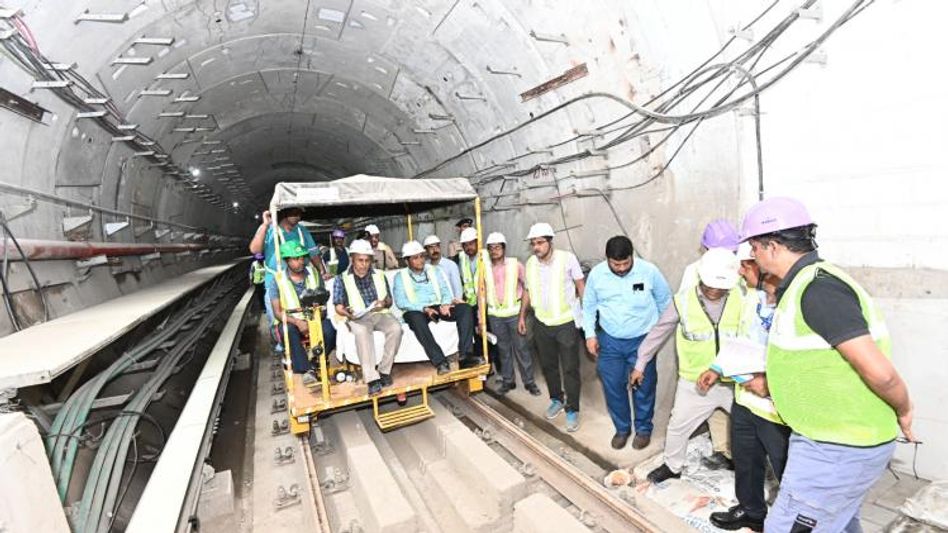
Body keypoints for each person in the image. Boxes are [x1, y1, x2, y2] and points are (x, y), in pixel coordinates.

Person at [740, 197, 914, 533]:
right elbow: (816, 361)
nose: (752, 257)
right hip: (834, 441)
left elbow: (879, 372)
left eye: (754, 249)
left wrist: (904, 408)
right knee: (839, 522)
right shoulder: (803, 285)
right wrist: (772, 382)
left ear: (772, 247)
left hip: (836, 450)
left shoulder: (817, 289)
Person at [631, 248, 744, 484]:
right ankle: (673, 467)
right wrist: (640, 363)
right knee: (677, 426)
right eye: (710, 285)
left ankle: (744, 466)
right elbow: (659, 332)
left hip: (735, 382)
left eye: (720, 288)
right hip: (695, 385)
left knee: (751, 430)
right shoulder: (682, 301)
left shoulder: (742, 299)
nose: (714, 291)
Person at [698, 242, 789, 531]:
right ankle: (751, 511)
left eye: (746, 266)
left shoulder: (793, 303)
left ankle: (793, 522)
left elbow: (803, 359)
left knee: (788, 469)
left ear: (764, 266)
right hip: (745, 399)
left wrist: (770, 384)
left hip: (777, 408)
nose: (740, 271)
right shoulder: (750, 296)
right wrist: (717, 368)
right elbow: (741, 341)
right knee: (746, 460)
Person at [583, 236, 672, 450]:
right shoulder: (597, 275)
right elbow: (588, 306)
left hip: (642, 340)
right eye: (616, 264)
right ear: (607, 260)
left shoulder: (649, 271)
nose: (621, 268)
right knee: (613, 387)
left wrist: (655, 337)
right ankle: (622, 429)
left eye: (625, 263)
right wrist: (590, 334)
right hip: (610, 341)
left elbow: (665, 302)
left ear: (632, 256)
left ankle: (643, 429)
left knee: (644, 386)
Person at [678, 219, 742, 471]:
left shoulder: (741, 270)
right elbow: (684, 309)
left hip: (733, 357)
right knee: (716, 406)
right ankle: (722, 451)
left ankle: (740, 456)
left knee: (739, 412)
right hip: (705, 356)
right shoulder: (694, 272)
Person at [521, 222, 586, 432]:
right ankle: (557, 399)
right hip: (541, 323)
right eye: (533, 244)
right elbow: (528, 291)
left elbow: (581, 287)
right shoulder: (531, 263)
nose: (536, 247)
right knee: (548, 366)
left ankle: (572, 409)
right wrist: (522, 316)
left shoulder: (568, 259)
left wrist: (588, 319)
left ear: (550, 242)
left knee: (570, 368)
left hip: (566, 323)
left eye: (540, 243)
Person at [393, 240, 475, 375]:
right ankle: (440, 362)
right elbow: (401, 302)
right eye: (415, 258)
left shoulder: (434, 270)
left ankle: (465, 356)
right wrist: (424, 308)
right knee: (415, 319)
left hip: (438, 306)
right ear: (407, 261)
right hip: (416, 310)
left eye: (421, 256)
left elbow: (445, 290)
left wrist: (446, 304)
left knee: (465, 309)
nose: (420, 260)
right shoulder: (400, 277)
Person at [333, 239, 403, 396]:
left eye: (367, 260)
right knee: (363, 334)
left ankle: (384, 372)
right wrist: (347, 312)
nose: (364, 264)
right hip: (357, 318)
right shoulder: (341, 278)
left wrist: (383, 303)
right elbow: (338, 306)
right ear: (352, 258)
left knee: (396, 328)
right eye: (360, 260)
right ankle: (371, 379)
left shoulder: (379, 275)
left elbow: (389, 300)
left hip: (379, 313)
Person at [270, 241, 337, 386]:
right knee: (287, 331)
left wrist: (315, 318)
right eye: (296, 259)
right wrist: (298, 322)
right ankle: (306, 370)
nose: (300, 261)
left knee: (330, 331)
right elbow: (277, 312)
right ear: (287, 260)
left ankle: (314, 359)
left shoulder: (314, 273)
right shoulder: (277, 280)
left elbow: (323, 301)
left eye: (301, 258)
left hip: (315, 317)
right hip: (292, 321)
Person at [484, 232, 540, 396]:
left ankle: (529, 382)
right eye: (491, 248)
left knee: (522, 349)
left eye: (498, 247)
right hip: (495, 316)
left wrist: (523, 315)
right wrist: (482, 319)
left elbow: (527, 288)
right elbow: (481, 293)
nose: (494, 251)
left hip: (515, 315)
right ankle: (509, 381)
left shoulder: (516, 265)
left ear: (504, 248)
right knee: (503, 350)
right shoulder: (485, 268)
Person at [423, 235, 463, 302]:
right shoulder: (424, 267)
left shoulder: (451, 265)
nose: (435, 250)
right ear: (426, 251)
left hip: (450, 304)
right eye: (431, 248)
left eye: (437, 246)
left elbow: (458, 290)